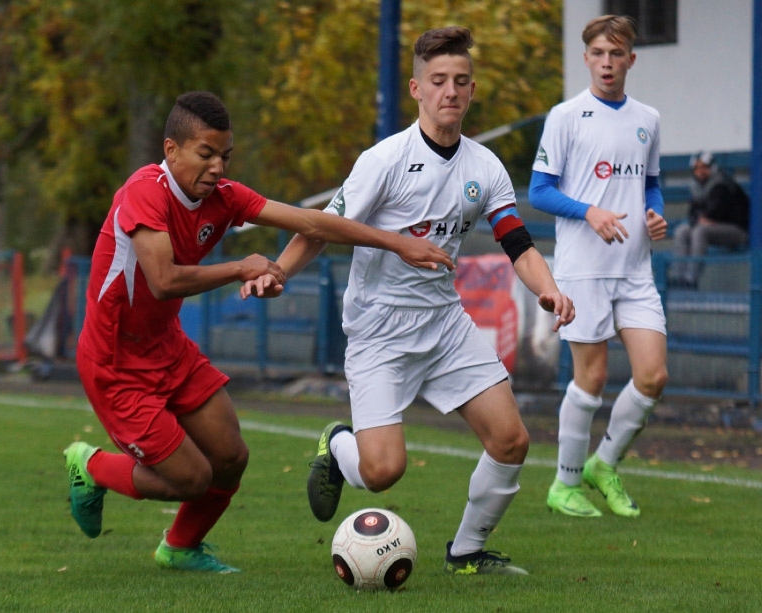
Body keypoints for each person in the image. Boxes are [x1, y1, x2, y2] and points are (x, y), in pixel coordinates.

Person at [63, 91, 454, 573]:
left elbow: (314, 222)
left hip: (168, 350)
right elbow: (163, 281)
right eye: (205, 154)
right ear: (171, 151)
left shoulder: (224, 198)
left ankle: (180, 547)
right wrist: (241, 268)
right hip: (115, 364)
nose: (217, 168)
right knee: (190, 479)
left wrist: (396, 243)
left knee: (230, 457)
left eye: (224, 156)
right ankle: (92, 467)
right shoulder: (145, 191)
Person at [241, 26, 574, 576]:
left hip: (444, 324)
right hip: (379, 329)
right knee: (382, 471)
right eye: (439, 81)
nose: (451, 92)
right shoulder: (385, 160)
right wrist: (279, 270)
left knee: (512, 440)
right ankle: (338, 445)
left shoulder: (485, 167)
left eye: (462, 82)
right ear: (416, 89)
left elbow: (517, 241)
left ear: (472, 90)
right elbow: (322, 228)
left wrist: (550, 288)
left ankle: (467, 553)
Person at [528, 15, 669, 518]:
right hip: (583, 268)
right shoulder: (566, 116)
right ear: (586, 58)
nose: (607, 63)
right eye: (598, 54)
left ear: (631, 59)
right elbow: (539, 191)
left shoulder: (648, 118)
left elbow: (650, 182)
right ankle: (564, 484)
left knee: (653, 375)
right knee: (593, 376)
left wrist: (657, 213)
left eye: (617, 54)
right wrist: (589, 211)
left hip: (635, 268)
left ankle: (603, 464)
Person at [669, 151, 749, 288]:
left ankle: (691, 279)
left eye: (704, 167)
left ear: (712, 168)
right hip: (712, 229)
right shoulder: (697, 187)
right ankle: (678, 276)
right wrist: (701, 220)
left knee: (699, 231)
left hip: (737, 230)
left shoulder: (721, 183)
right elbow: (693, 214)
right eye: (697, 168)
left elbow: (717, 212)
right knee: (682, 231)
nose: (700, 171)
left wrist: (706, 220)